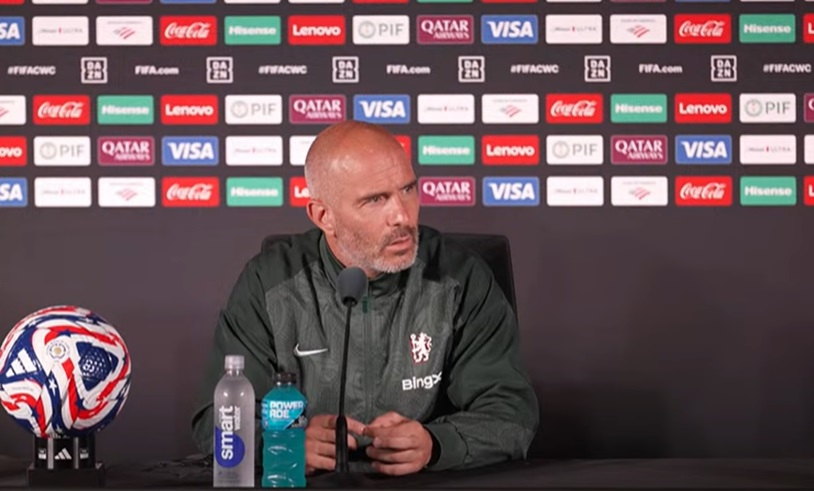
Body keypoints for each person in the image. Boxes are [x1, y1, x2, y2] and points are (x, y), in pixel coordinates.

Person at [191, 121, 539, 475]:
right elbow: (216, 420)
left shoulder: (459, 277)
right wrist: (282, 443)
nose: (402, 216)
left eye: (408, 189)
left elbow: (512, 413)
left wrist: (436, 444)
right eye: (375, 200)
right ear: (324, 216)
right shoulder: (270, 282)